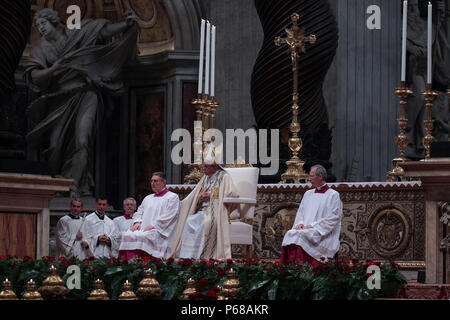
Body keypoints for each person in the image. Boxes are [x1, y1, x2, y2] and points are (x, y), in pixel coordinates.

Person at [24, 8, 139, 197]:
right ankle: (57, 186)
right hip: (60, 97)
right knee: (54, 144)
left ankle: (75, 185)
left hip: (87, 92)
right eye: (37, 26)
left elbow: (101, 30)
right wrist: (54, 69)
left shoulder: (75, 32)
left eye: (43, 23)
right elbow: (34, 76)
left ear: (53, 21)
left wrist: (124, 24)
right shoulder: (40, 48)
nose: (41, 28)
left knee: (83, 139)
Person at [170, 144, 237, 260]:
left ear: (214, 167)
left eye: (206, 167)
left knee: (205, 224)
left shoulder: (224, 177)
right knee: (190, 221)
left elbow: (232, 194)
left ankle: (206, 256)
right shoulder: (205, 178)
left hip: (217, 212)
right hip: (203, 210)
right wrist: (187, 201)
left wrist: (211, 196)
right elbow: (195, 194)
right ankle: (189, 256)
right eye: (204, 166)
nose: (203, 169)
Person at [280, 164, 342, 265]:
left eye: (311, 176)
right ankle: (289, 269)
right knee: (290, 234)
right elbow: (301, 213)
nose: (309, 179)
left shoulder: (333, 195)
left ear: (320, 176)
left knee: (301, 236)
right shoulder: (308, 194)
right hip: (305, 228)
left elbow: (333, 218)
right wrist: (299, 224)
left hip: (321, 232)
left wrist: (312, 226)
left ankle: (303, 268)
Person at [118, 173, 180, 260]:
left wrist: (154, 225)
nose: (152, 183)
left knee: (143, 238)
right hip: (144, 229)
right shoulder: (148, 198)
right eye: (151, 181)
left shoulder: (172, 197)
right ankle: (131, 265)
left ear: (163, 182)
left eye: (155, 181)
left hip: (160, 232)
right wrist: (137, 222)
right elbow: (139, 212)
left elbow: (169, 216)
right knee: (127, 235)